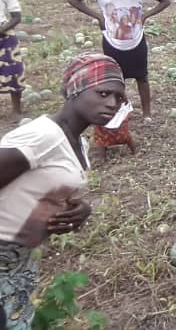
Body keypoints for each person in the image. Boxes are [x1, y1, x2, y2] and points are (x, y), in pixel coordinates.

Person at [0, 54, 126, 330]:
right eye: (103, 93)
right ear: (75, 90)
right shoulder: (43, 136)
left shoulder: (78, 142)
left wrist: (80, 210)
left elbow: (43, 188)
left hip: (18, 263)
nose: (112, 103)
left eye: (118, 97)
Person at [67, 0, 171, 123]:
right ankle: (118, 112)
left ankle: (146, 113)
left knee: (142, 76)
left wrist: (145, 16)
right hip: (112, 40)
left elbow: (165, 1)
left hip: (136, 39)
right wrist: (98, 17)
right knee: (115, 79)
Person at [0, 0, 24, 118]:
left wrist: (2, 30)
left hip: (4, 35)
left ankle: (16, 110)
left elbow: (16, 16)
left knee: (14, 71)